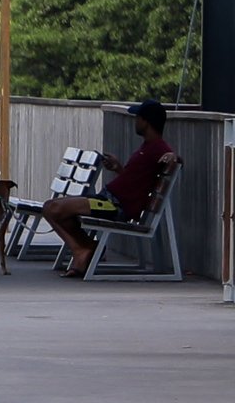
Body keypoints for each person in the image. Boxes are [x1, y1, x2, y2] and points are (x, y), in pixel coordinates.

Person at [43, 100, 179, 277]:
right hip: (108, 200)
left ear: (146, 121)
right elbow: (135, 181)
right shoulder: (146, 147)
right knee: (56, 210)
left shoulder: (158, 148)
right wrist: (117, 167)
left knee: (51, 208)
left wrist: (174, 156)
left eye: (137, 118)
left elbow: (173, 158)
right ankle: (88, 247)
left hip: (114, 205)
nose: (135, 121)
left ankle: (80, 250)